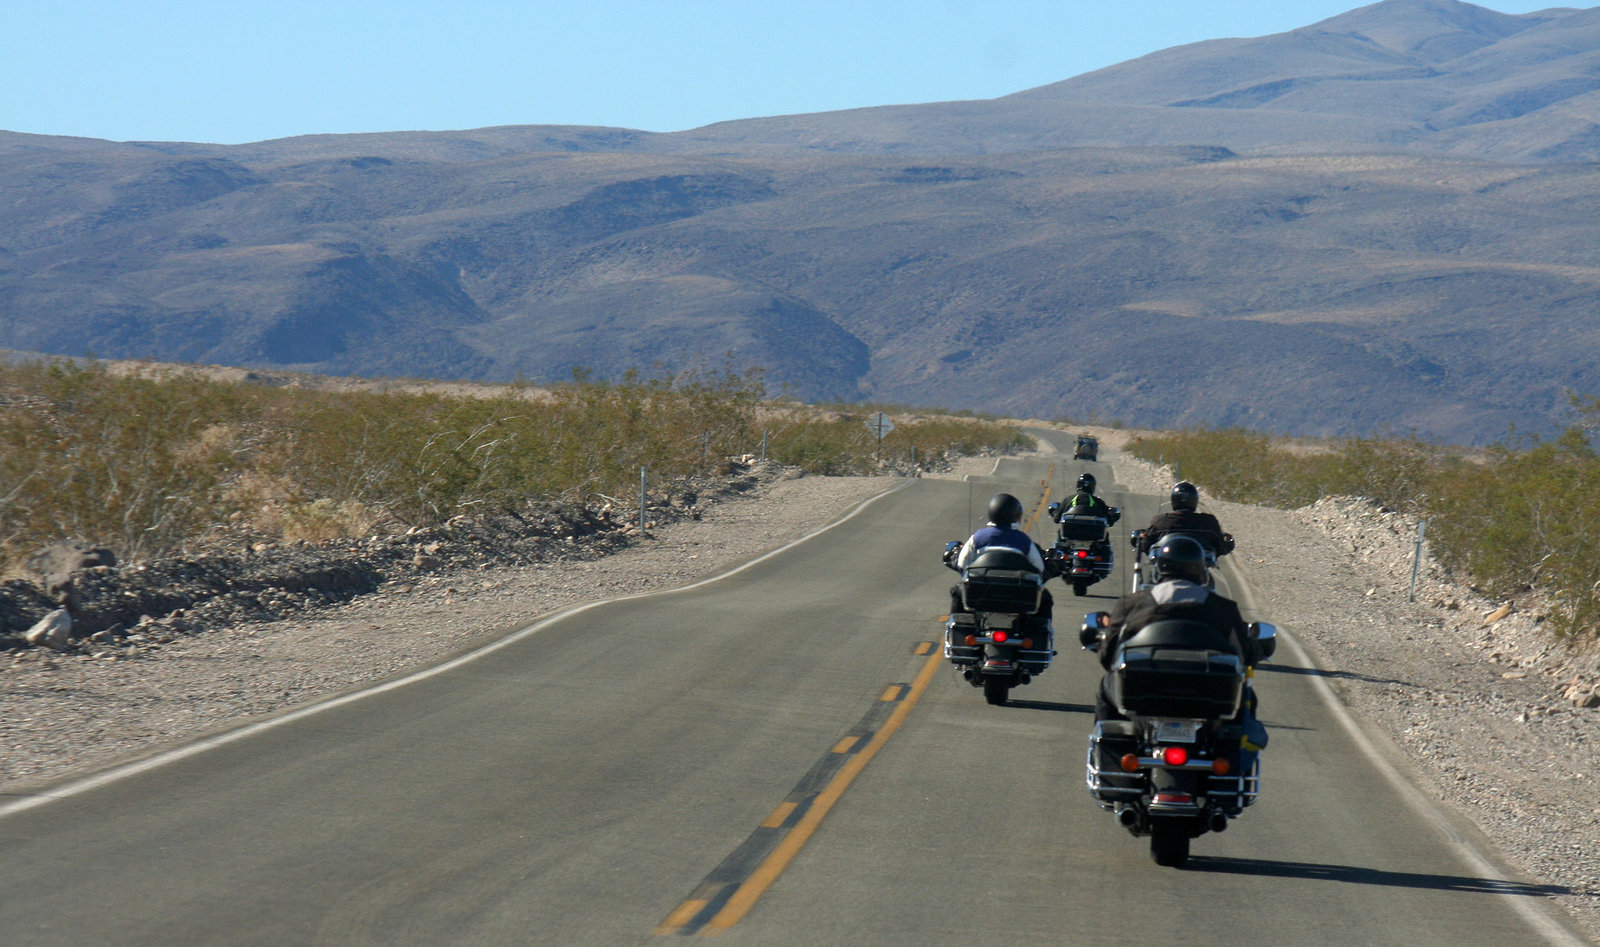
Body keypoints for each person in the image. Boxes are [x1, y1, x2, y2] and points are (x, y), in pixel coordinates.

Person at [1086, 535, 1267, 801]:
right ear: (1201, 570)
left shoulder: (1132, 604)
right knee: (1246, 699)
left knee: (1106, 686)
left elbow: (1107, 657)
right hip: (1209, 700)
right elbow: (1249, 655)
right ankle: (1230, 771)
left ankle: (1112, 761)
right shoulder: (1224, 608)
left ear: (1159, 567)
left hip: (1144, 696)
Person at [946, 492, 1054, 628]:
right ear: (1016, 515)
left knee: (957, 591)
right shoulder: (1023, 540)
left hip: (981, 595)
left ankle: (959, 631)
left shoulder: (978, 537)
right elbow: (1039, 568)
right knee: (1045, 598)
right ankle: (1039, 636)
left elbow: (962, 564)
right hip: (1017, 597)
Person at [1139, 481, 1232, 555]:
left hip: (1166, 570)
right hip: (1197, 573)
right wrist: (1228, 542)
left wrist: (1141, 537)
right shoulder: (1208, 522)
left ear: (1173, 501)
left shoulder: (1160, 521)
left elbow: (1146, 544)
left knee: (1152, 576)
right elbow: (1220, 548)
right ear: (1194, 500)